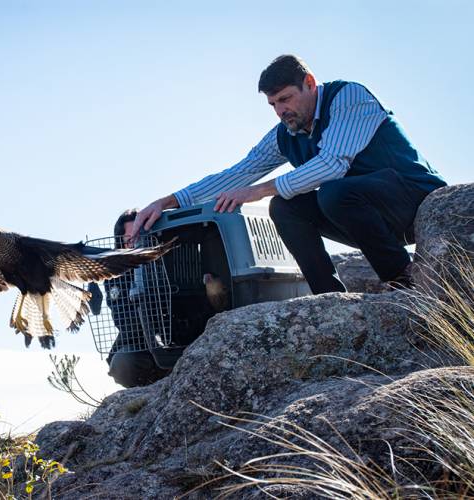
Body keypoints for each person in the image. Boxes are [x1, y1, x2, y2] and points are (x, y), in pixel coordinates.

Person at [131, 55, 447, 293]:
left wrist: (259, 191)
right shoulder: (286, 133)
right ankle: (331, 299)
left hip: (415, 200)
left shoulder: (349, 97)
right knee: (284, 207)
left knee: (333, 191)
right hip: (366, 218)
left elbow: (332, 164)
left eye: (285, 99)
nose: (281, 110)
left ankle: (405, 286)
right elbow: (240, 172)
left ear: (309, 83)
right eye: (273, 104)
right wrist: (167, 201)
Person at [104, 209, 171, 388]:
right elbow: (125, 323)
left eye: (141, 235)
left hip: (180, 336)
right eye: (130, 238)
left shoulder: (168, 261)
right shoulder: (115, 275)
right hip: (141, 343)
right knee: (122, 364)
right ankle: (147, 394)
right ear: (121, 243)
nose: (137, 242)